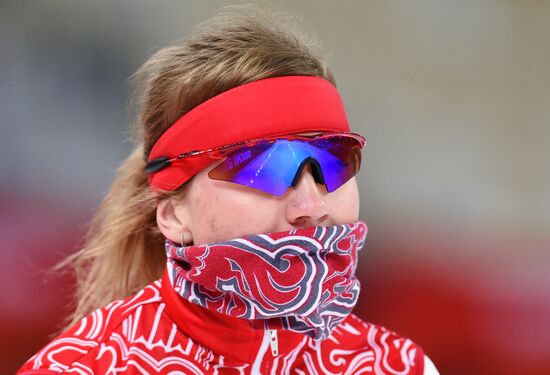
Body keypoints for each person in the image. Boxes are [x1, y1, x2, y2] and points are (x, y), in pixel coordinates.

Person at [18, 6, 438, 375]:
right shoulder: (86, 367)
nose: (310, 206)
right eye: (262, 169)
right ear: (173, 214)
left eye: (333, 162)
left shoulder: (395, 365)